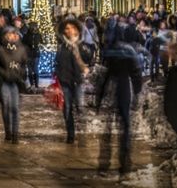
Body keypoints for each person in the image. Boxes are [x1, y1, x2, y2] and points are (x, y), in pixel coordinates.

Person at [96, 28, 143, 174]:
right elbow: (136, 72)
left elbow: (104, 73)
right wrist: (137, 91)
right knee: (125, 127)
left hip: (112, 88)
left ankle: (104, 163)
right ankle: (124, 162)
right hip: (123, 87)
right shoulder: (128, 50)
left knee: (108, 130)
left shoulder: (110, 51)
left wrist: (100, 97)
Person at [55, 18, 89, 143]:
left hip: (78, 82)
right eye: (67, 28)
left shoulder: (81, 45)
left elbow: (88, 58)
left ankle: (82, 132)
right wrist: (58, 75)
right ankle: (71, 134)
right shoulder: (61, 46)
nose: (70, 31)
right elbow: (58, 62)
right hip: (65, 82)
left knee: (80, 107)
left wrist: (80, 48)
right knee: (67, 108)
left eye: (72, 28)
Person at [0, 26, 28, 143]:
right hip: (4, 82)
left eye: (13, 34)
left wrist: (21, 73)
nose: (11, 36)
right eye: (8, 34)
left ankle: (15, 134)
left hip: (16, 82)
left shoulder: (21, 49)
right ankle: (8, 131)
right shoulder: (0, 49)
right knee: (6, 107)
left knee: (15, 107)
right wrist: (3, 72)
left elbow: (24, 64)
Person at [22, 20, 42, 91]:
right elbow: (24, 44)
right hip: (29, 54)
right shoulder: (26, 35)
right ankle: (32, 85)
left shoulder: (38, 35)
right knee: (30, 70)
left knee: (35, 69)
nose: (34, 28)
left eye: (35, 26)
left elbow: (40, 42)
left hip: (36, 54)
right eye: (32, 26)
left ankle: (36, 85)